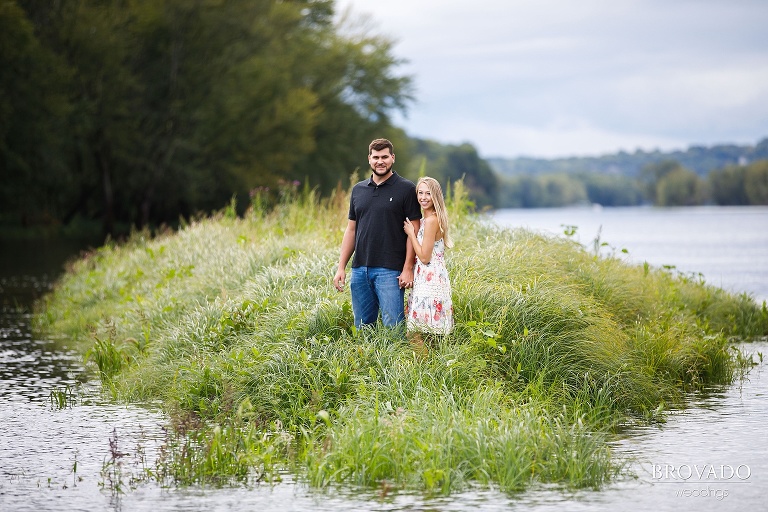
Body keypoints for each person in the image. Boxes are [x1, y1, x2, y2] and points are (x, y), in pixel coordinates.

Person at [333, 138, 422, 328]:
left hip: (390, 270)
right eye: (375, 157)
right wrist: (342, 266)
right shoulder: (358, 190)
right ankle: (366, 359)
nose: (380, 161)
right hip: (360, 269)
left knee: (393, 326)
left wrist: (408, 268)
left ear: (393, 158)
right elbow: (351, 229)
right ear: (369, 159)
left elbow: (414, 230)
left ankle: (397, 358)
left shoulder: (406, 189)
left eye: (384, 157)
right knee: (363, 326)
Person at [403, 177, 454, 338]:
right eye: (420, 193)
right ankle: (431, 362)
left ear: (435, 196)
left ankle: (424, 364)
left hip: (430, 278)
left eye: (428, 193)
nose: (423, 197)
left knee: (414, 333)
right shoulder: (430, 219)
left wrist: (411, 234)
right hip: (429, 277)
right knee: (428, 333)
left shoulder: (431, 220)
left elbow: (425, 257)